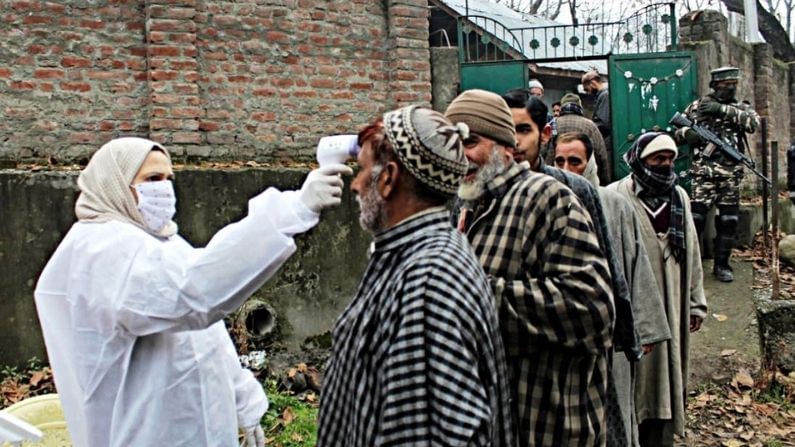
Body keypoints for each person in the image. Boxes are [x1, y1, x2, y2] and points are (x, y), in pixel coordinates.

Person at [33, 137, 353, 447]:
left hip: (190, 421)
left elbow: (205, 333)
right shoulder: (103, 249)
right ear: (114, 183)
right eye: (152, 178)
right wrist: (293, 210)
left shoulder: (157, 241)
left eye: (169, 178)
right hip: (148, 431)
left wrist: (242, 399)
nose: (165, 189)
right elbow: (192, 296)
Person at [317, 106, 514, 446]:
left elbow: (454, 434)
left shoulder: (427, 279)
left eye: (362, 171)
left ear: (389, 178)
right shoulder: (410, 257)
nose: (356, 185)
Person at [446, 89, 615, 446]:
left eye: (471, 141)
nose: (459, 155)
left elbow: (594, 308)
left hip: (548, 426)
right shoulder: (467, 206)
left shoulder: (547, 198)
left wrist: (473, 294)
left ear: (505, 145)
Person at [501, 89, 639, 447]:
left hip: (570, 351)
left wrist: (626, 336)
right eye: (505, 131)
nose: (514, 143)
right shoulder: (480, 195)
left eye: (524, 130)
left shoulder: (573, 189)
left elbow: (606, 269)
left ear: (545, 134)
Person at [554, 132, 672, 447]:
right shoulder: (543, 200)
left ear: (589, 163)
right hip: (562, 333)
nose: (567, 168)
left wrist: (643, 328)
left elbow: (636, 265)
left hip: (609, 332)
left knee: (614, 406)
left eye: (575, 161)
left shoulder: (614, 205)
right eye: (560, 161)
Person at [607, 132, 708, 447]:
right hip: (633, 307)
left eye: (669, 160)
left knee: (667, 371)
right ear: (639, 160)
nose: (664, 166)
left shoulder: (679, 197)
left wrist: (695, 302)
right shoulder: (616, 197)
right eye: (656, 160)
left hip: (673, 301)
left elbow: (692, 252)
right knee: (632, 378)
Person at [675, 66, 760, 282]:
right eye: (725, 86)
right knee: (696, 218)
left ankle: (722, 265)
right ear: (714, 86)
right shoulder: (697, 106)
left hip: (731, 174)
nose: (730, 89)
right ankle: (690, 265)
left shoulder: (741, 108)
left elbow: (753, 124)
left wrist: (721, 110)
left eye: (733, 85)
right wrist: (689, 134)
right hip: (703, 174)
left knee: (729, 220)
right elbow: (676, 131)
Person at [547, 92, 612, 185]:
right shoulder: (590, 126)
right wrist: (605, 181)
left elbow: (543, 151)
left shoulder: (553, 124)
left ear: (562, 106)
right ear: (580, 106)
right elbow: (601, 155)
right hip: (585, 179)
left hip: (555, 179)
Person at [582, 70, 612, 159]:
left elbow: (603, 123)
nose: (588, 93)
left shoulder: (605, 95)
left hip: (607, 142)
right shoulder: (601, 96)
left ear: (592, 83)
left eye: (586, 89)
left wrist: (589, 127)